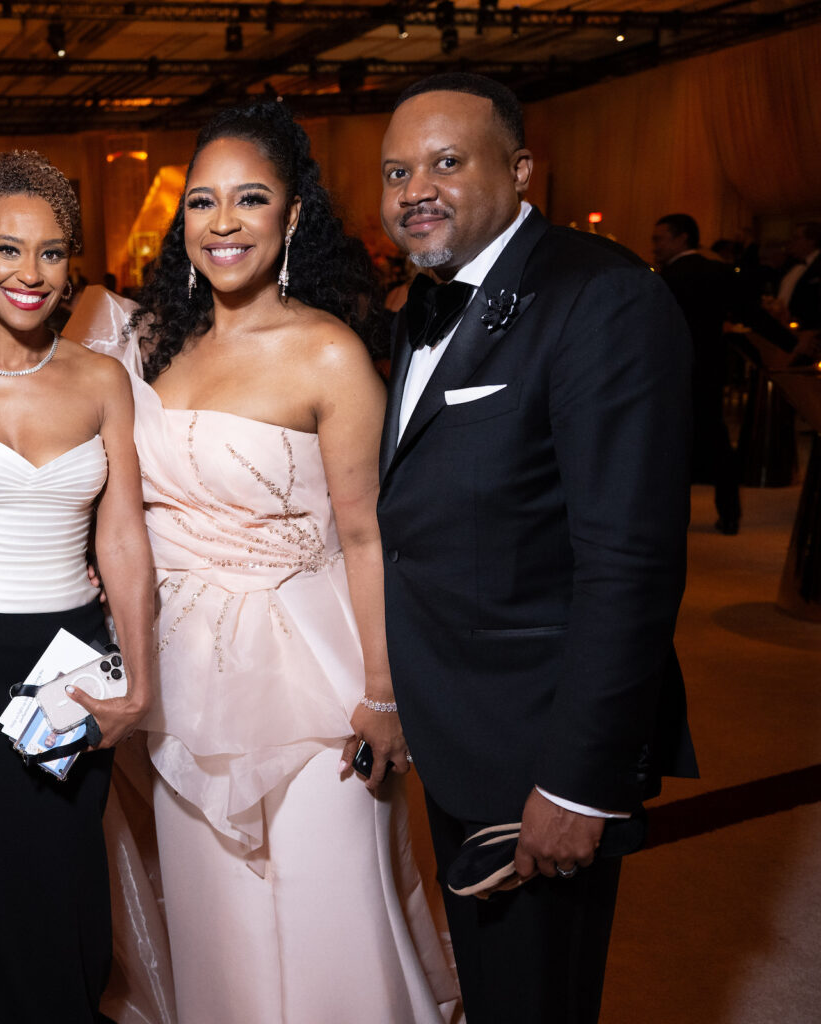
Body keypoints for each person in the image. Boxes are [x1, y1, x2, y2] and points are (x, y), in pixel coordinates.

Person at [118, 101, 459, 1023]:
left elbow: (366, 537)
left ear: (292, 216)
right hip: (186, 681)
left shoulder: (330, 353)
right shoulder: (160, 351)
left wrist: (384, 696)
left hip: (315, 682)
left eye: (250, 198)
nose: (222, 222)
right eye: (201, 202)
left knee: (327, 911)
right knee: (214, 917)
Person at [376, 73, 697, 1023]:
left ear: (519, 170)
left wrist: (577, 783)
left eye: (445, 162)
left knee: (534, 1000)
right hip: (457, 726)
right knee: (492, 988)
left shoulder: (603, 298)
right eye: (397, 170)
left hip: (538, 748)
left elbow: (630, 563)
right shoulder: (425, 303)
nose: (415, 189)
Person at [0, 151, 156, 1023]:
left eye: (52, 253)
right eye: (8, 250)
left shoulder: (101, 381)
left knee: (62, 870)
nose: (30, 273)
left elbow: (123, 536)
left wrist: (141, 682)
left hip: (68, 658)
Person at [652, 213, 742, 534]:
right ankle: (730, 513)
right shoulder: (716, 272)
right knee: (717, 441)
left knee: (668, 446)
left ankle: (668, 517)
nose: (655, 246)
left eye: (660, 239)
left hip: (667, 376)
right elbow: (750, 312)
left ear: (682, 238)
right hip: (709, 370)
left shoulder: (663, 279)